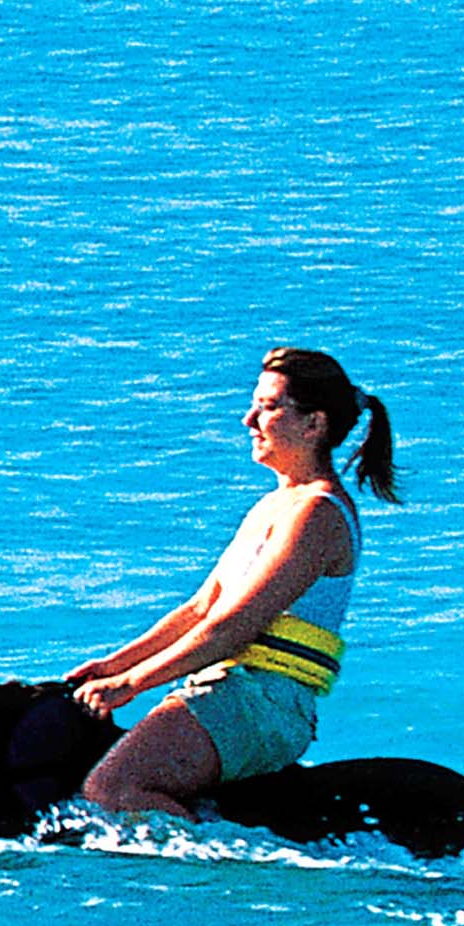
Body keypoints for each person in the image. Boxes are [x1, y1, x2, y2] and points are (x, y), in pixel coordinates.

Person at [66, 348, 392, 821]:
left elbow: (233, 626)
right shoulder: (274, 505)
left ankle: (210, 881)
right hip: (231, 688)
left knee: (112, 788)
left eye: (268, 406)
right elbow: (201, 609)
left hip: (265, 702)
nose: (248, 419)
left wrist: (130, 686)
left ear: (314, 425)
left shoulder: (316, 514)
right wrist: (113, 665)